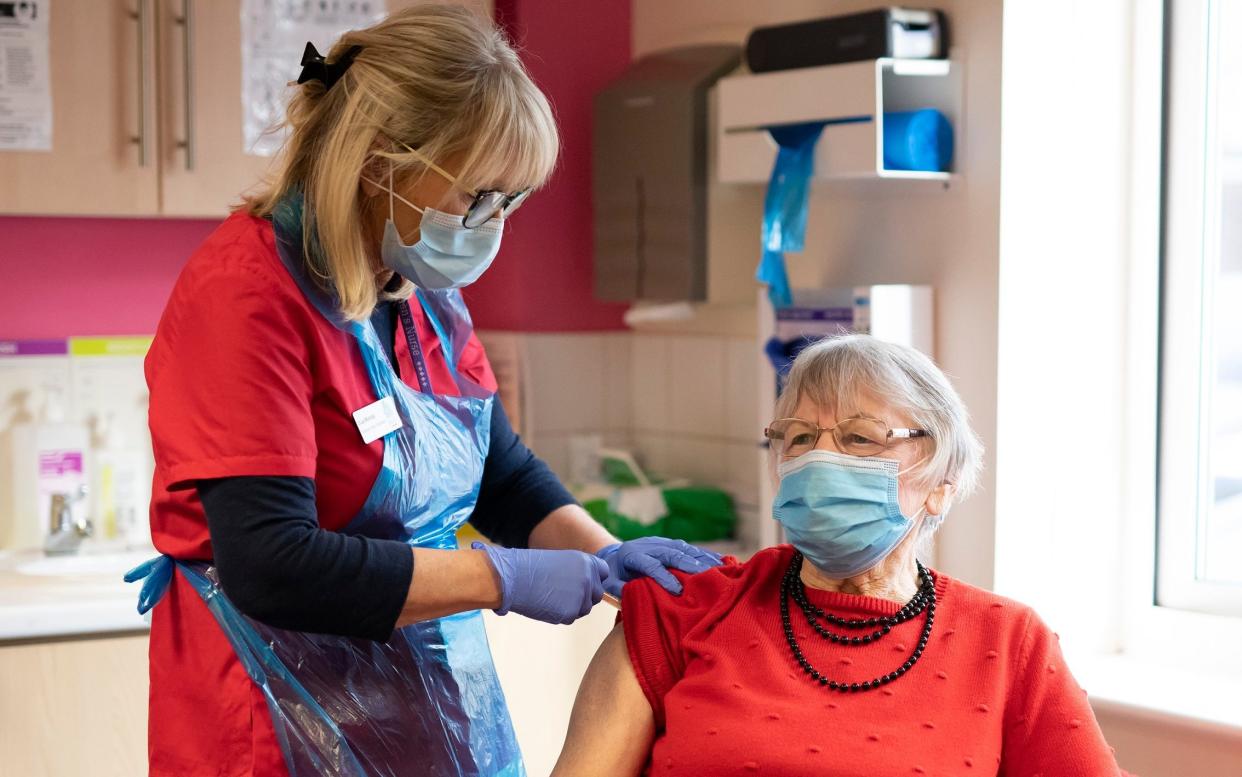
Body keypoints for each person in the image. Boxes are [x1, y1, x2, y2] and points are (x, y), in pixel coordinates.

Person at [125, 6, 720, 775]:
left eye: (510, 201)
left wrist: (609, 562)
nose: (492, 223)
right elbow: (272, 562)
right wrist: (500, 577)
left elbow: (499, 473)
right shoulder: (247, 295)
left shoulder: (417, 288)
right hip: (274, 714)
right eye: (477, 196)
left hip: (418, 704)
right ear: (380, 164)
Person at [553, 335, 1135, 776]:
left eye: (860, 438)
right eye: (800, 438)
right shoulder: (678, 609)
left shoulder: (1007, 642)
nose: (818, 459)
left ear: (942, 481)